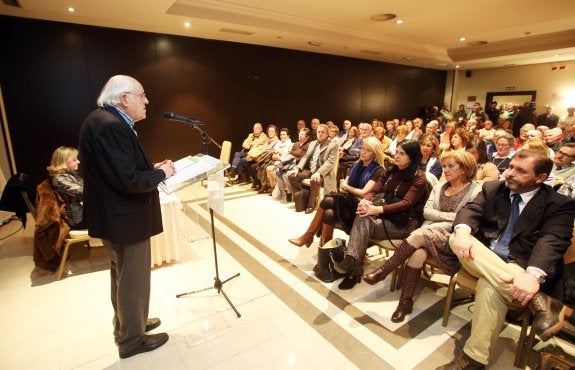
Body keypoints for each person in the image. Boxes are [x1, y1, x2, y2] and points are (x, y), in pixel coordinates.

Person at [436, 149, 575, 370]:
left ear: (540, 178)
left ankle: (474, 359)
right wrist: (463, 233)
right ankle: (540, 301)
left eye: (520, 171)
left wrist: (532, 275)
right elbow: (470, 210)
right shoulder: (493, 188)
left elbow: (552, 240)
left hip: (520, 266)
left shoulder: (558, 204)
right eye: (510, 167)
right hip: (479, 259)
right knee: (456, 237)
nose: (510, 173)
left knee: (489, 285)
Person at [79, 75, 176, 359]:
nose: (146, 101)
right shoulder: (112, 126)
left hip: (115, 217)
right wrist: (161, 173)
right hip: (125, 218)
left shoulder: (103, 120)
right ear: (124, 98)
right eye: (142, 95)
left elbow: (119, 170)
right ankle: (132, 340)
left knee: (121, 276)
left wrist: (152, 167)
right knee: (133, 279)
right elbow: (128, 180)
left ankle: (127, 324)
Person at [363, 151, 481, 322]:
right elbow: (427, 212)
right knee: (418, 252)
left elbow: (463, 218)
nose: (445, 170)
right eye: (444, 166)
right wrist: (449, 216)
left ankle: (384, 270)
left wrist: (441, 217)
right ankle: (405, 302)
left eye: (450, 166)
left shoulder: (475, 191)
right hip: (429, 233)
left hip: (454, 238)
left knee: (419, 234)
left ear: (464, 169)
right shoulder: (441, 187)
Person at [333, 140, 430, 289]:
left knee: (363, 219)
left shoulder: (419, 178)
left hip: (403, 224)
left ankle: (353, 265)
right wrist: (365, 202)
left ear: (412, 157)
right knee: (363, 216)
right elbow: (374, 191)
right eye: (396, 152)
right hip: (384, 217)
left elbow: (407, 203)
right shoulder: (390, 171)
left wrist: (377, 210)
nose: (396, 156)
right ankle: (353, 264)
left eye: (402, 153)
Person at [288, 137, 385, 248]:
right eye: (363, 148)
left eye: (368, 150)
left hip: (360, 207)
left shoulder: (378, 170)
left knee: (328, 199)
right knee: (328, 213)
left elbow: (363, 193)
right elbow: (344, 186)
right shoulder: (355, 165)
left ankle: (308, 236)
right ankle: (325, 251)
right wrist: (346, 187)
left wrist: (346, 187)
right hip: (347, 201)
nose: (363, 152)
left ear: (375, 153)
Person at [287, 124, 339, 213]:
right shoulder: (313, 143)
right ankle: (304, 193)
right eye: (319, 132)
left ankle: (311, 205)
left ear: (327, 134)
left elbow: (330, 162)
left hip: (324, 173)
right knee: (292, 176)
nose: (320, 134)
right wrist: (298, 168)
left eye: (323, 132)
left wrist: (319, 172)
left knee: (314, 180)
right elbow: (305, 157)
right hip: (309, 170)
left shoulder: (333, 145)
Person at [47, 146, 85, 229]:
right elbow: (83, 192)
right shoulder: (59, 179)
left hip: (82, 213)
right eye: (74, 160)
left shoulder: (68, 176)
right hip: (78, 219)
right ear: (63, 162)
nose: (78, 162)